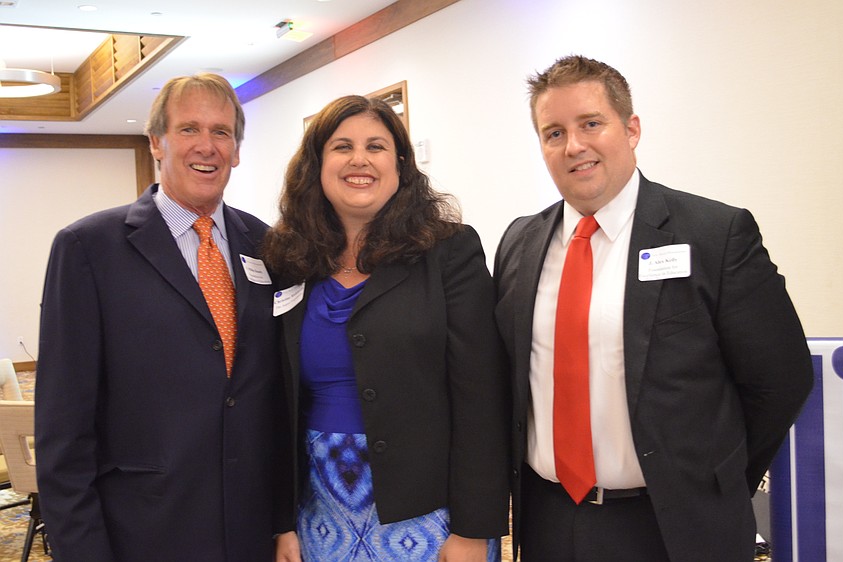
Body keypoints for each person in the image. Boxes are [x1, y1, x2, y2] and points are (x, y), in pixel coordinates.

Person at [493, 55, 814, 561]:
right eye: (553, 132)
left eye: (591, 124)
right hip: (548, 521)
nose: (573, 145)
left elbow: (781, 380)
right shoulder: (519, 243)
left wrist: (715, 480)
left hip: (675, 529)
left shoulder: (714, 235)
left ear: (632, 128)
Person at [35, 73, 289, 561]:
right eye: (189, 129)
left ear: (237, 150)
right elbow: (63, 430)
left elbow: (272, 398)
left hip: (251, 532)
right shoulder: (88, 249)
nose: (207, 146)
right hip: (142, 535)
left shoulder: (268, 246)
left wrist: (283, 521)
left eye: (221, 132)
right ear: (157, 141)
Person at [264, 95, 509, 562]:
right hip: (318, 511)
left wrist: (474, 529)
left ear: (399, 163)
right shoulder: (289, 259)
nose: (360, 159)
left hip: (428, 513)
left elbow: (482, 397)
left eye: (376, 146)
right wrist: (282, 522)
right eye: (342, 147)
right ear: (317, 165)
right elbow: (279, 403)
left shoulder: (449, 252)